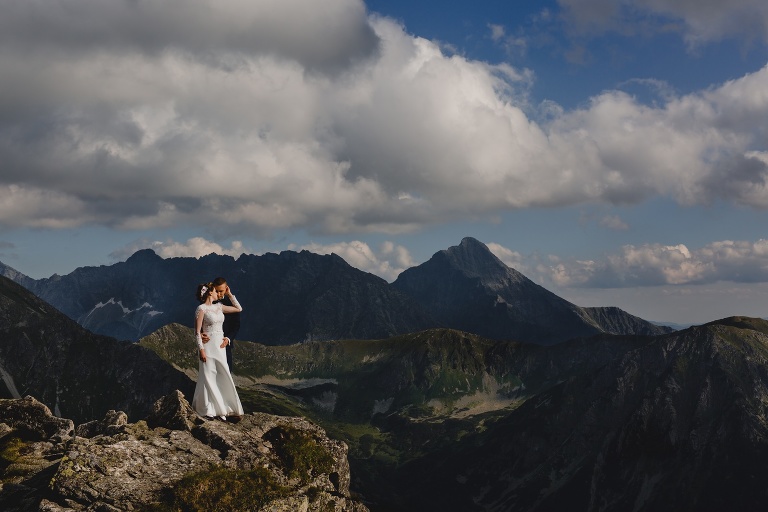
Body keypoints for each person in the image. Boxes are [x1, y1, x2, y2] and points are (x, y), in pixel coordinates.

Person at [191, 281, 243, 421]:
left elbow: (239, 308)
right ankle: (209, 409)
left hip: (219, 346)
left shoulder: (219, 306)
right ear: (210, 292)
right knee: (208, 375)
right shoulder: (201, 309)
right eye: (216, 291)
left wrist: (230, 294)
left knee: (221, 374)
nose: (218, 294)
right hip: (208, 346)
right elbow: (197, 332)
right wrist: (201, 349)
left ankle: (223, 409)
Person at [201, 277, 240, 373]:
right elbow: (202, 322)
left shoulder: (232, 303)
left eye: (221, 291)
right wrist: (201, 334)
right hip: (209, 344)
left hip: (224, 345)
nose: (218, 294)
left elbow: (236, 325)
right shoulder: (207, 302)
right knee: (210, 372)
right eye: (216, 291)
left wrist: (228, 339)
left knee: (226, 373)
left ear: (226, 288)